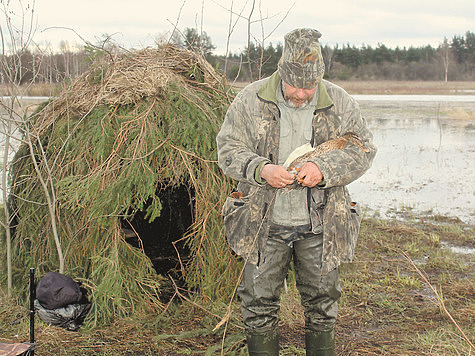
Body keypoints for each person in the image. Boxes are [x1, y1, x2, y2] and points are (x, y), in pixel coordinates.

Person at [216, 28, 376, 355]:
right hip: (263, 224)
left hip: (321, 226)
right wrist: (261, 170)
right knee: (258, 306)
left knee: (322, 306)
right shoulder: (250, 99)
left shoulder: (339, 102)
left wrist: (324, 170)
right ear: (281, 72)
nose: (302, 93)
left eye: (310, 85)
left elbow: (364, 150)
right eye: (295, 85)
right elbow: (227, 150)